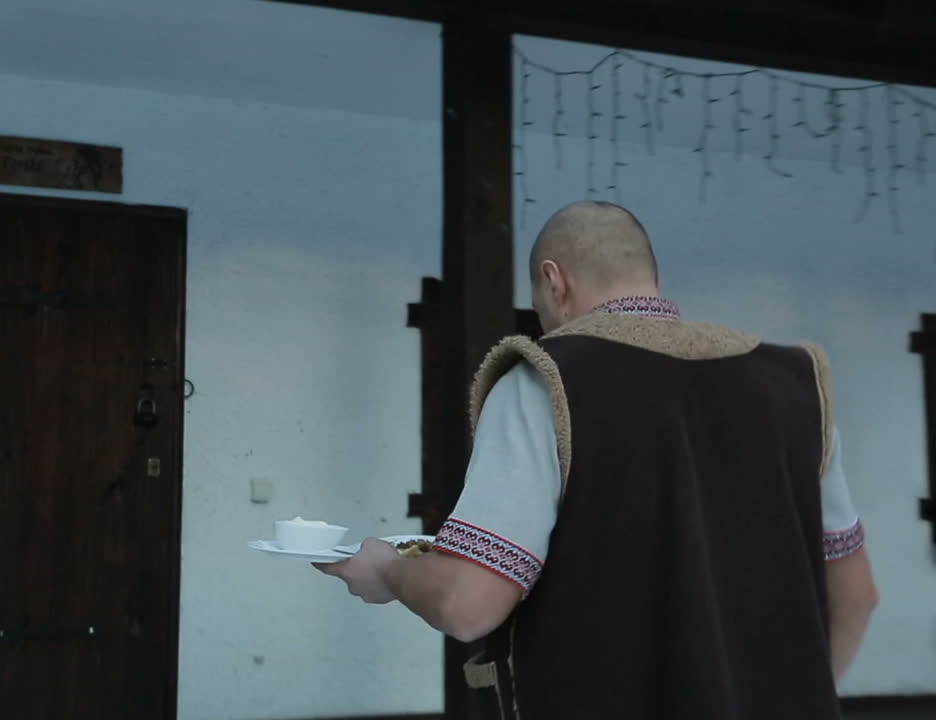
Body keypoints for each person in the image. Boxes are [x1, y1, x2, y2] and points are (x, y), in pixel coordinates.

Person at [317, 201, 878, 719]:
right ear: (653, 280)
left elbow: (469, 602)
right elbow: (856, 595)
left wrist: (388, 570)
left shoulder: (547, 379)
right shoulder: (796, 385)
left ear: (554, 281)